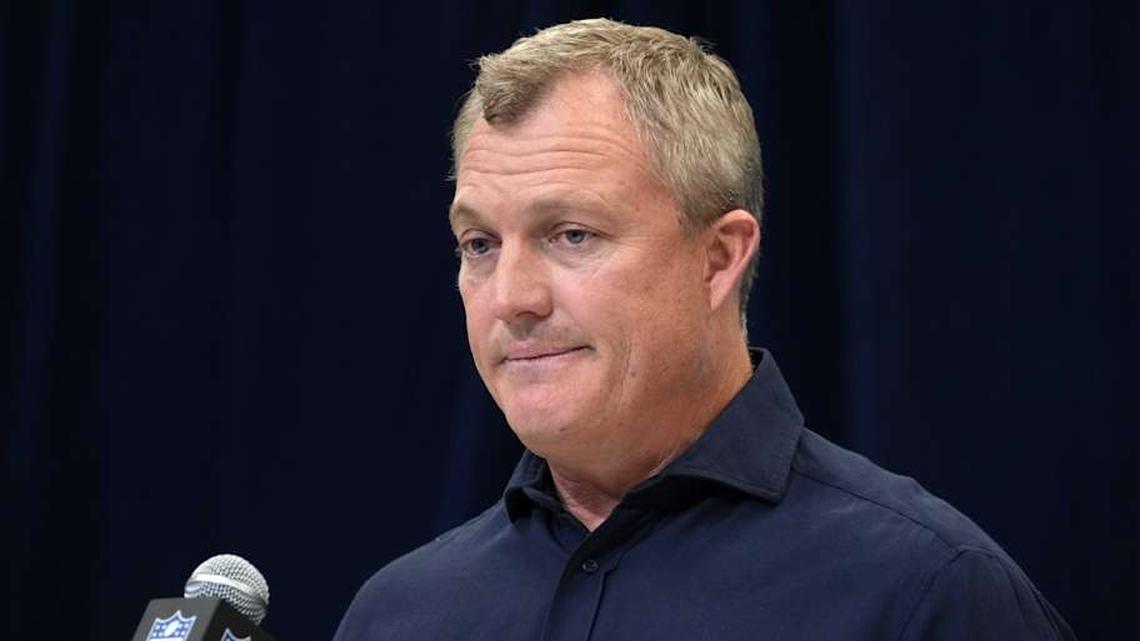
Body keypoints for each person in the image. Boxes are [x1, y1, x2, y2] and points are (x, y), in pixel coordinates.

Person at [333, 18, 1076, 641]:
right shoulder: (399, 614)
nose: (511, 298)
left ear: (718, 258)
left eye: (572, 235)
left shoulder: (927, 593)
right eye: (480, 245)